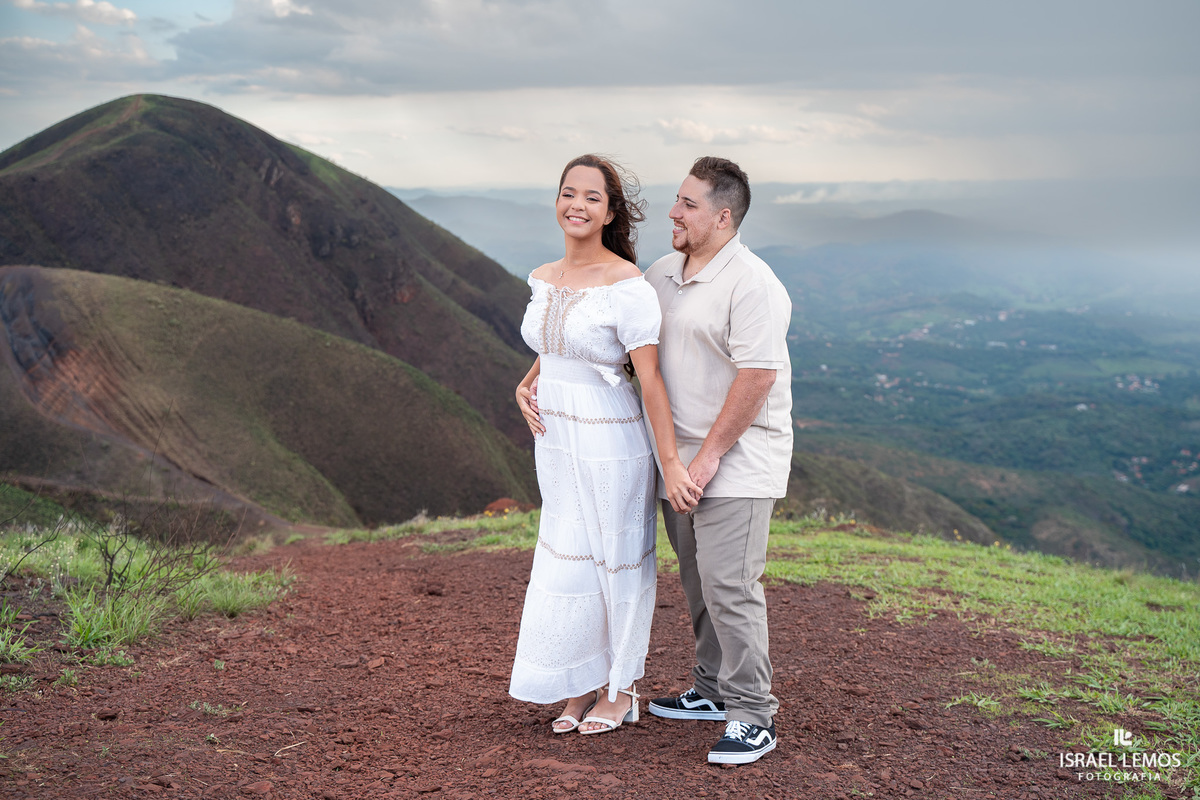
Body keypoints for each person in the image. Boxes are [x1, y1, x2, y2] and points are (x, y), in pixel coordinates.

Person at [508, 154, 702, 736]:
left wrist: (670, 464)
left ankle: (622, 689)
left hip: (611, 440)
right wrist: (527, 379)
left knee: (614, 561)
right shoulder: (544, 277)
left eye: (593, 197)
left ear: (610, 211)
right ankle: (582, 681)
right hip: (558, 442)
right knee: (569, 560)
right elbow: (559, 342)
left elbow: (651, 378)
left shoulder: (626, 284)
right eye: (569, 193)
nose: (578, 205)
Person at [643, 156, 793, 765]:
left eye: (688, 204)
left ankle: (754, 714)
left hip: (736, 458)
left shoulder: (753, 283)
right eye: (676, 200)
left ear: (723, 216)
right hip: (677, 459)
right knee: (698, 579)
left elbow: (757, 377)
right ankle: (710, 689)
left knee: (731, 583)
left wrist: (703, 462)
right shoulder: (661, 273)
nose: (673, 212)